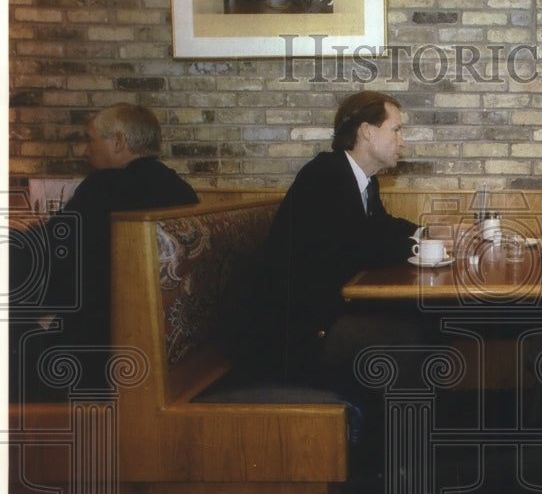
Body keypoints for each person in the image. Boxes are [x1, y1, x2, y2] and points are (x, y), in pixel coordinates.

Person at [246, 91, 437, 400]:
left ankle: (405, 427)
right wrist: (420, 248)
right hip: (300, 326)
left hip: (330, 308)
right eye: (396, 129)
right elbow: (357, 250)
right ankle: (393, 441)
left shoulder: (361, 178)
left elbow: (380, 226)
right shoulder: (324, 176)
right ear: (367, 131)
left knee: (425, 320)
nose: (402, 141)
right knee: (413, 335)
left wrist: (428, 232)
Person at [9, 103, 199, 400]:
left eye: (91, 139)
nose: (86, 151)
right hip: (164, 348)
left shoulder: (106, 186)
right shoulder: (182, 190)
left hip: (98, 352)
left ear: (119, 141)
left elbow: (48, 256)